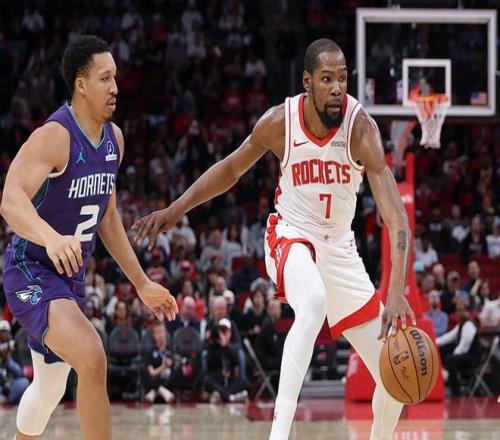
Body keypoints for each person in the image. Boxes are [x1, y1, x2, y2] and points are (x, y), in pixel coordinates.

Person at [134, 38, 414, 440]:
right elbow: (229, 170)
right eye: (327, 79)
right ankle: (278, 435)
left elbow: (397, 219)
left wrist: (396, 291)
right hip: (290, 234)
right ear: (307, 82)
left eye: (343, 79)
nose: (337, 87)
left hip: (339, 251)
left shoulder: (360, 129)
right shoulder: (280, 122)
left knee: (396, 373)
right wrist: (174, 210)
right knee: (312, 302)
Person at [0, 35, 177, 440]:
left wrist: (142, 283)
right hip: (31, 268)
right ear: (81, 85)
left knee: (49, 388)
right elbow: (10, 200)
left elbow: (107, 217)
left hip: (70, 277)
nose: (115, 87)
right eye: (105, 78)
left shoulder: (114, 140)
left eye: (115, 78)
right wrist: (50, 237)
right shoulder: (55, 135)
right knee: (92, 356)